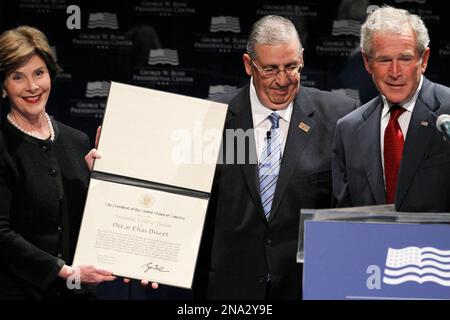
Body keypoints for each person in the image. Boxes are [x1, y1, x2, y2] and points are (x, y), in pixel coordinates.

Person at [195, 15, 358, 300]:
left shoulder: (340, 117)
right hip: (231, 290)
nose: (282, 80)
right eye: (270, 69)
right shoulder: (213, 119)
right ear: (249, 65)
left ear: (302, 58)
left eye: (291, 67)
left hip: (307, 288)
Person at [0, 26, 117, 300]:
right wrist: (64, 272)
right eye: (18, 77)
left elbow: (91, 226)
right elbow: (1, 235)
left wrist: (101, 183)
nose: (32, 87)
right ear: (4, 86)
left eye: (39, 73)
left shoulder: (77, 141)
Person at [333, 6, 450, 212]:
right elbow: (344, 220)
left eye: (405, 59)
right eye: (384, 60)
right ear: (367, 63)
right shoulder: (348, 129)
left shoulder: (447, 112)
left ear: (423, 60)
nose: (395, 72)